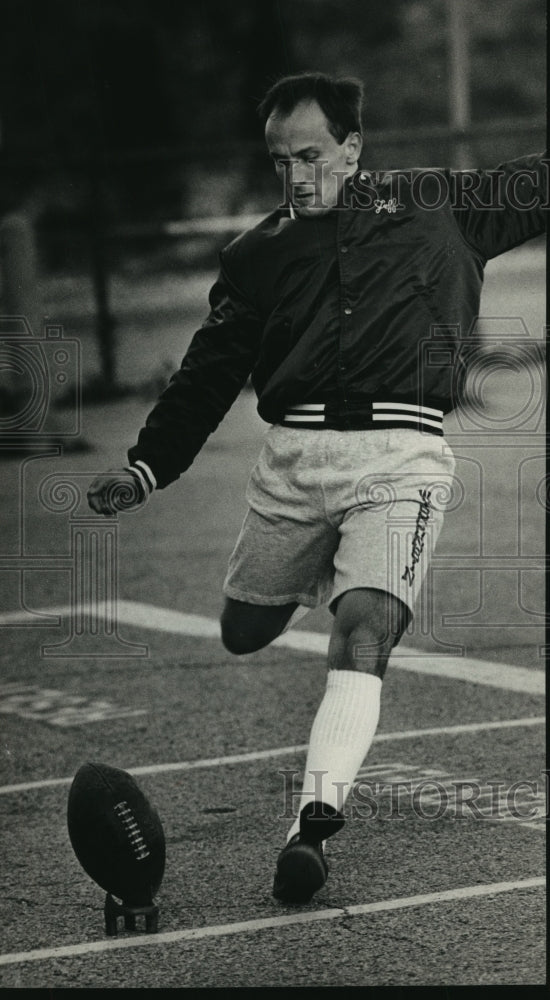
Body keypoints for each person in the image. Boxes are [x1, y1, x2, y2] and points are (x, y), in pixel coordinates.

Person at [88, 73, 546, 905]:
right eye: (278, 161)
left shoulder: (440, 203)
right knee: (241, 629)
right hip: (295, 462)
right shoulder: (257, 256)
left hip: (403, 455)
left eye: (308, 155)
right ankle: (325, 568)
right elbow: (208, 372)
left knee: (365, 632)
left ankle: (313, 819)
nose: (295, 174)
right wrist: (145, 466)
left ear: (351, 148)